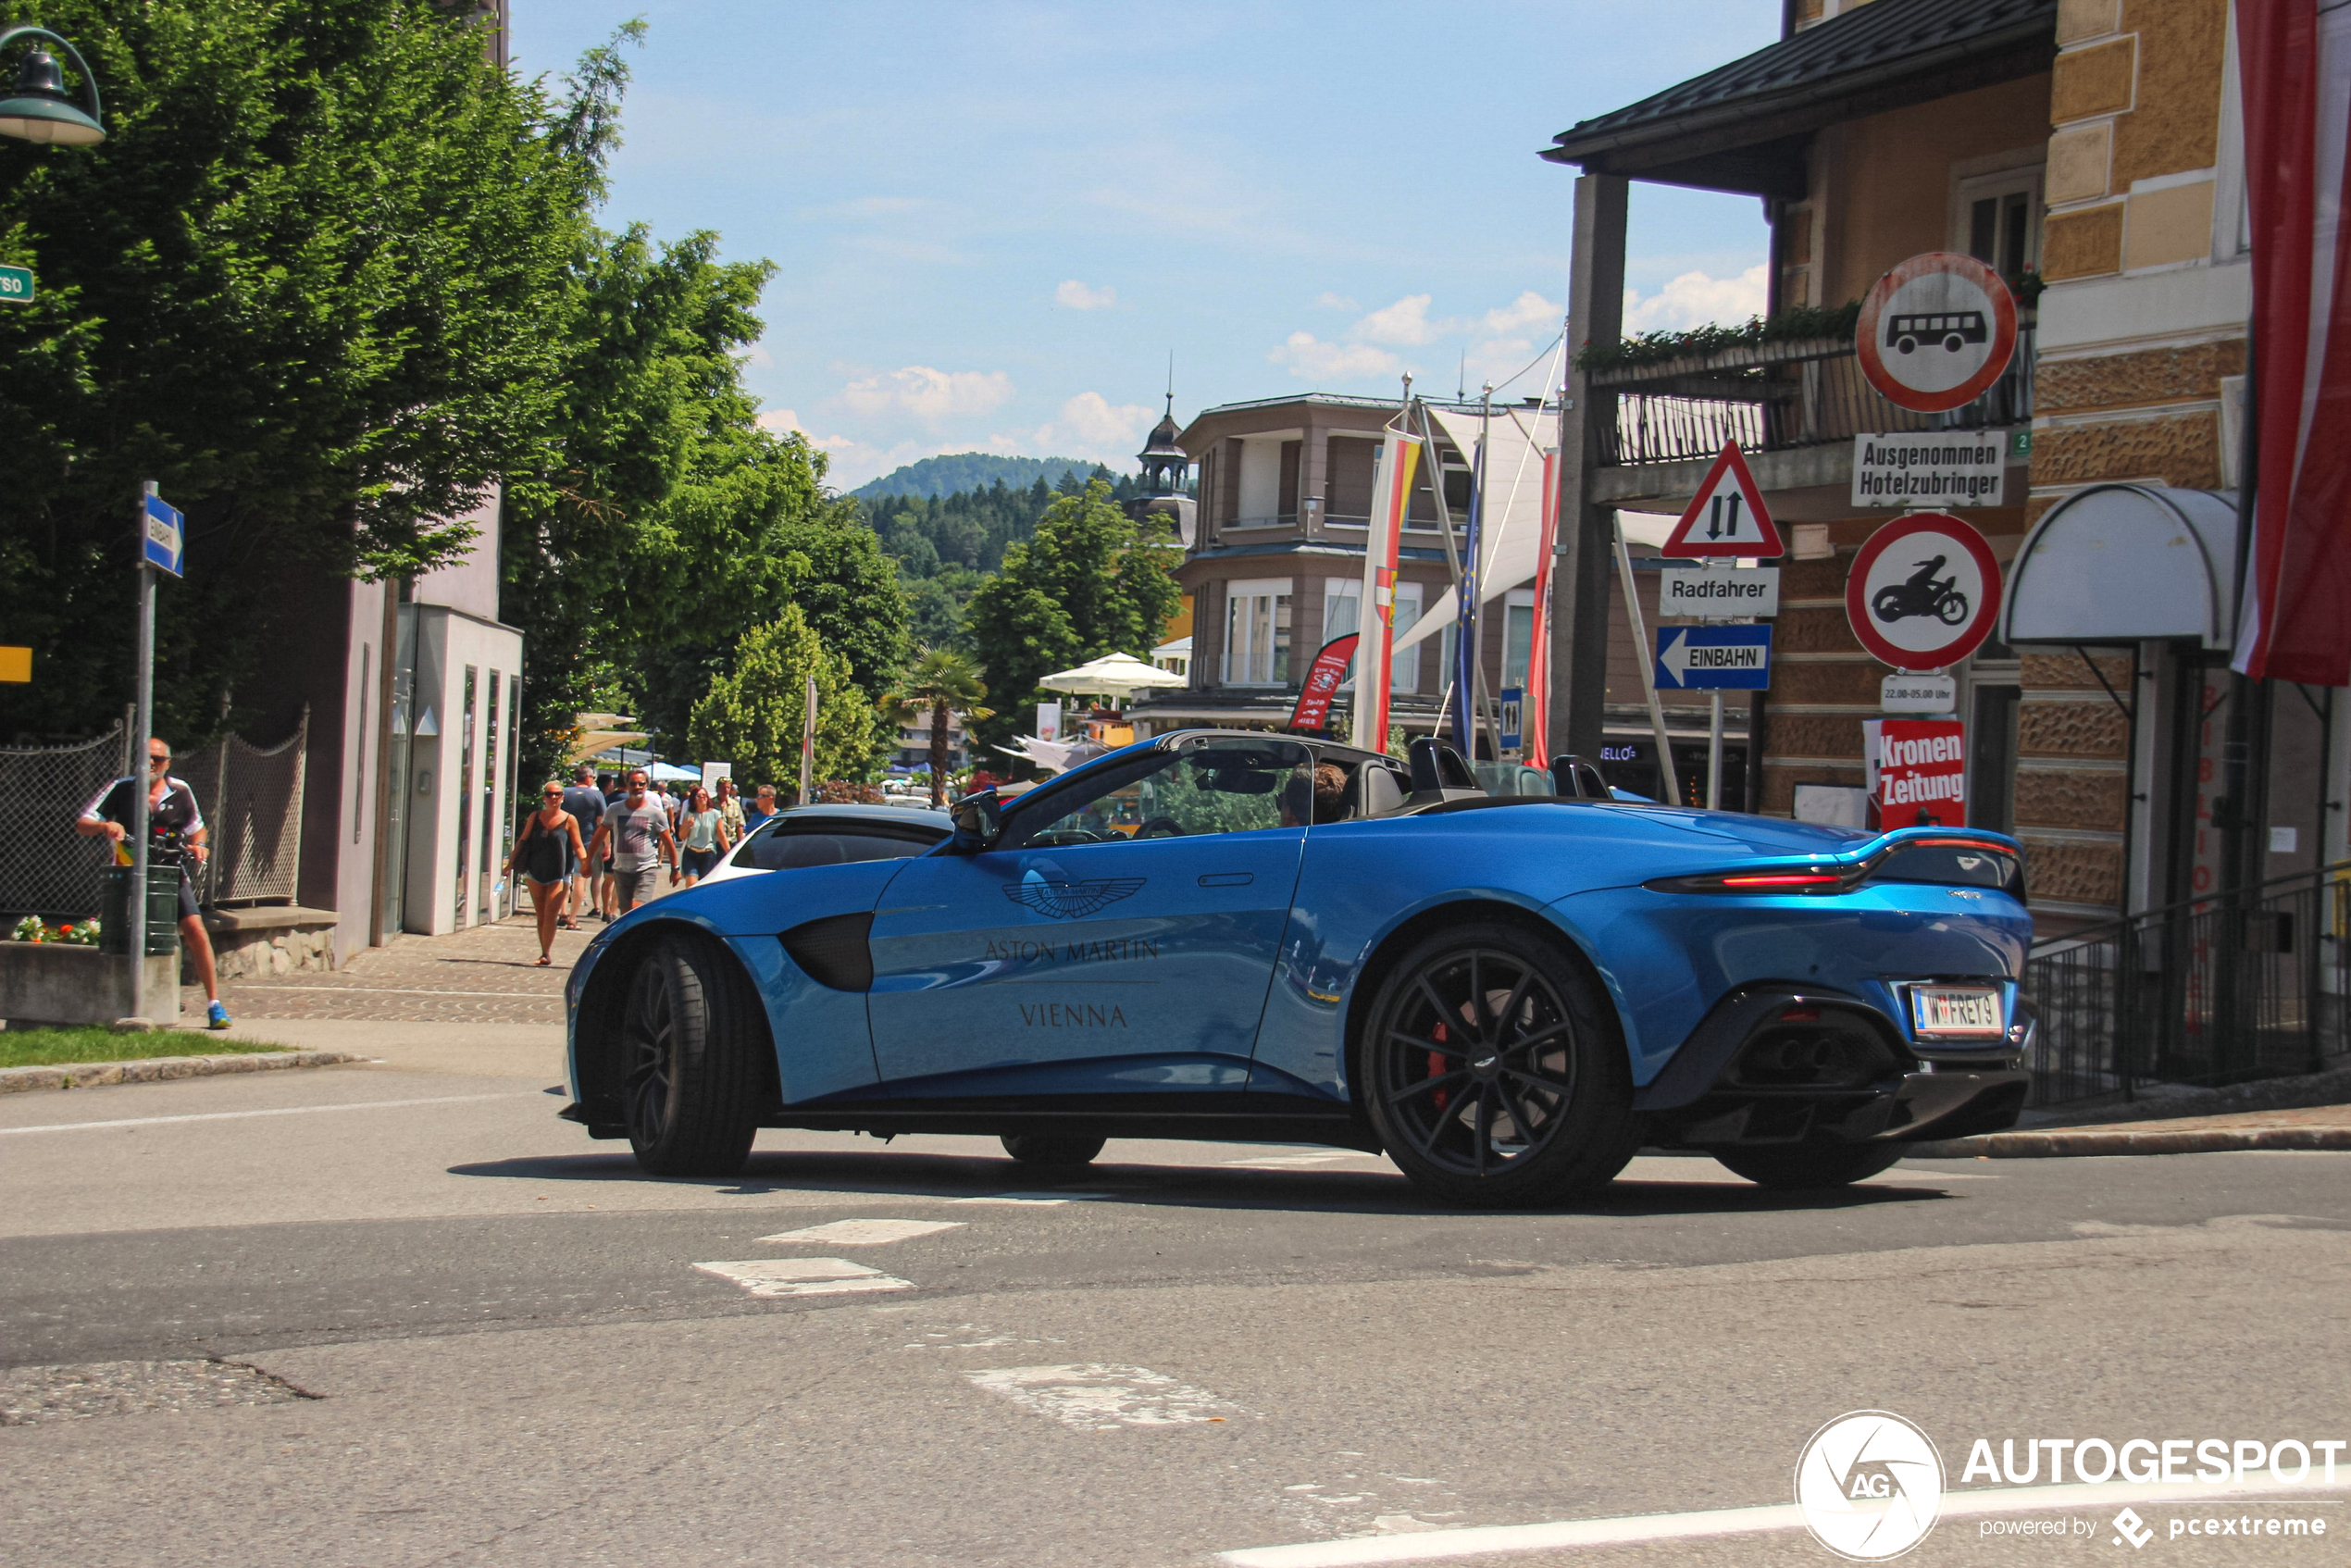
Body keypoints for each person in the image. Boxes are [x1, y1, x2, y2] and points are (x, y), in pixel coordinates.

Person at [74, 736, 231, 1028]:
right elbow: (83, 823)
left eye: (157, 759)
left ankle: (214, 1005)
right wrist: (105, 825)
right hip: (128, 874)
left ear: (168, 763)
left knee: (196, 928)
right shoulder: (122, 789)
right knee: (131, 938)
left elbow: (198, 829)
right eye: (145, 759)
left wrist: (200, 846)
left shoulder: (181, 791)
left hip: (169, 873)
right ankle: (137, 1000)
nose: (150, 764)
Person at [508, 782, 588, 965]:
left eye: (558, 794)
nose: (554, 798)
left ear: (563, 797)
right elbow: (523, 840)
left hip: (559, 873)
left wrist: (585, 863)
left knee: (551, 914)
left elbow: (578, 845)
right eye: (550, 794)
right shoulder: (535, 817)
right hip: (534, 871)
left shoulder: (569, 820)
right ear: (544, 797)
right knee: (541, 915)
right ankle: (543, 948)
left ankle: (546, 953)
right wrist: (511, 862)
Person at [587, 770, 678, 915]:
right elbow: (599, 836)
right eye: (633, 783)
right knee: (625, 912)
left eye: (641, 784)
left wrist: (675, 868)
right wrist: (587, 862)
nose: (637, 787)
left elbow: (668, 842)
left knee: (636, 908)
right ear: (627, 785)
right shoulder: (615, 809)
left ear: (647, 786)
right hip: (621, 869)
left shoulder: (655, 813)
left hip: (645, 868)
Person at [559, 764, 606, 926]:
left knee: (564, 878)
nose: (593, 780)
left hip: (564, 840)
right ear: (587, 778)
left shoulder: (564, 793)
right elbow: (602, 822)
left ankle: (563, 912)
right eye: (593, 777)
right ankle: (573, 918)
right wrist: (606, 844)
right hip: (587, 841)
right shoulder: (597, 796)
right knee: (580, 879)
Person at [674, 786, 732, 889]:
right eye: (699, 796)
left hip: (708, 854)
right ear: (694, 799)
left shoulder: (715, 814)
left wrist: (729, 853)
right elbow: (682, 836)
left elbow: (721, 835)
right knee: (691, 885)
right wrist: (687, 826)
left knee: (704, 886)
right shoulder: (689, 814)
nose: (702, 797)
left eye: (704, 795)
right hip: (691, 853)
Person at [714, 776, 746, 846]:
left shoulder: (735, 804)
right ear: (717, 788)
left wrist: (740, 844)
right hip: (715, 843)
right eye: (723, 788)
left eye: (728, 788)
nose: (725, 790)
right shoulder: (710, 804)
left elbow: (740, 825)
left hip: (731, 842)